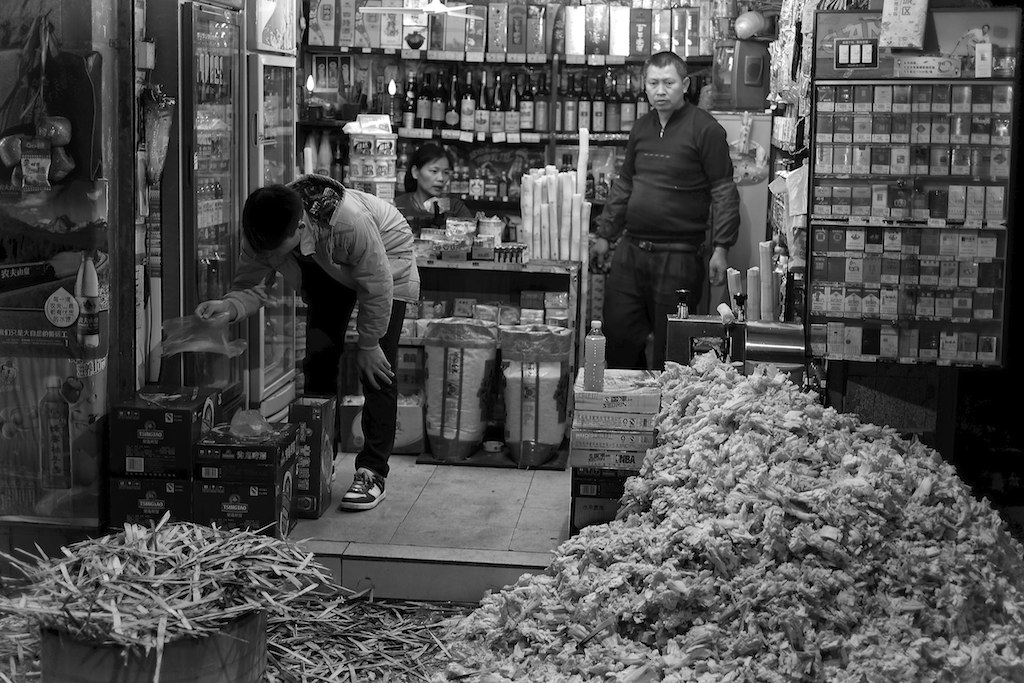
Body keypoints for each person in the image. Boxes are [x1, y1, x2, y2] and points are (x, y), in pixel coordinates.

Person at [196, 175, 419, 512]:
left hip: (387, 254)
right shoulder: (265, 228)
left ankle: (372, 471)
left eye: (276, 255)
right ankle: (318, 459)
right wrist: (229, 307)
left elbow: (377, 283)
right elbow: (253, 282)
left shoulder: (349, 222)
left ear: (299, 228)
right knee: (319, 357)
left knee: (377, 369)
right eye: (264, 253)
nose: (270, 260)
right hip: (324, 260)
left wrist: (370, 344)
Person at [589, 51, 740, 370]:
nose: (660, 90)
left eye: (668, 82)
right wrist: (605, 234)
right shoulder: (641, 128)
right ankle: (624, 408)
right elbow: (625, 185)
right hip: (631, 251)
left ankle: (666, 416)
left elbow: (724, 192)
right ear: (644, 85)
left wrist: (721, 247)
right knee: (618, 333)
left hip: (679, 256)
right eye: (653, 83)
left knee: (672, 345)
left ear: (684, 85)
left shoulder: (706, 129)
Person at [394, 142, 473, 231]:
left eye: (446, 173)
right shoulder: (398, 206)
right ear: (415, 172)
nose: (441, 178)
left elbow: (470, 235)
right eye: (434, 171)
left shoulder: (455, 208)